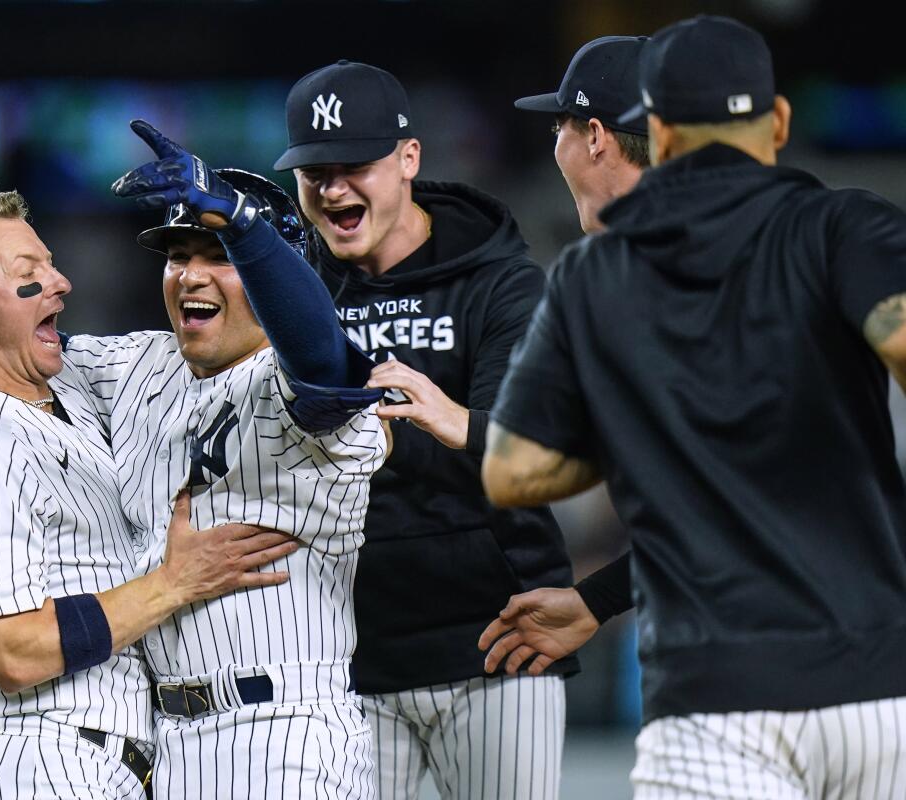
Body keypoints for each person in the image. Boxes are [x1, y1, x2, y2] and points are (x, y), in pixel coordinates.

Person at [0, 123, 388, 799]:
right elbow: (7, 353)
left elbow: (321, 356)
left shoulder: (309, 388)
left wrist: (247, 228)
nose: (192, 274)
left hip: (284, 728)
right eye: (179, 253)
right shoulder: (136, 366)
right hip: (159, 748)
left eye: (220, 253)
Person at [482, 14, 906, 798]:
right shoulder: (844, 227)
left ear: (659, 132)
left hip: (718, 700)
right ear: (776, 122)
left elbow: (515, 471)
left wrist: (663, 426)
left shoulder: (600, 276)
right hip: (880, 694)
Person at [274, 59, 573, 799]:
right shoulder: (291, 293)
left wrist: (453, 419)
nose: (333, 187)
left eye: (354, 166)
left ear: (409, 159)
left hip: (497, 648)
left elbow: (539, 452)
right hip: (345, 658)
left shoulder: (501, 283)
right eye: (315, 171)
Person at [481, 35, 651, 677]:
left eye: (560, 126)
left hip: (739, 674)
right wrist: (598, 599)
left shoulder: (635, 282)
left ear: (597, 137)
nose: (556, 145)